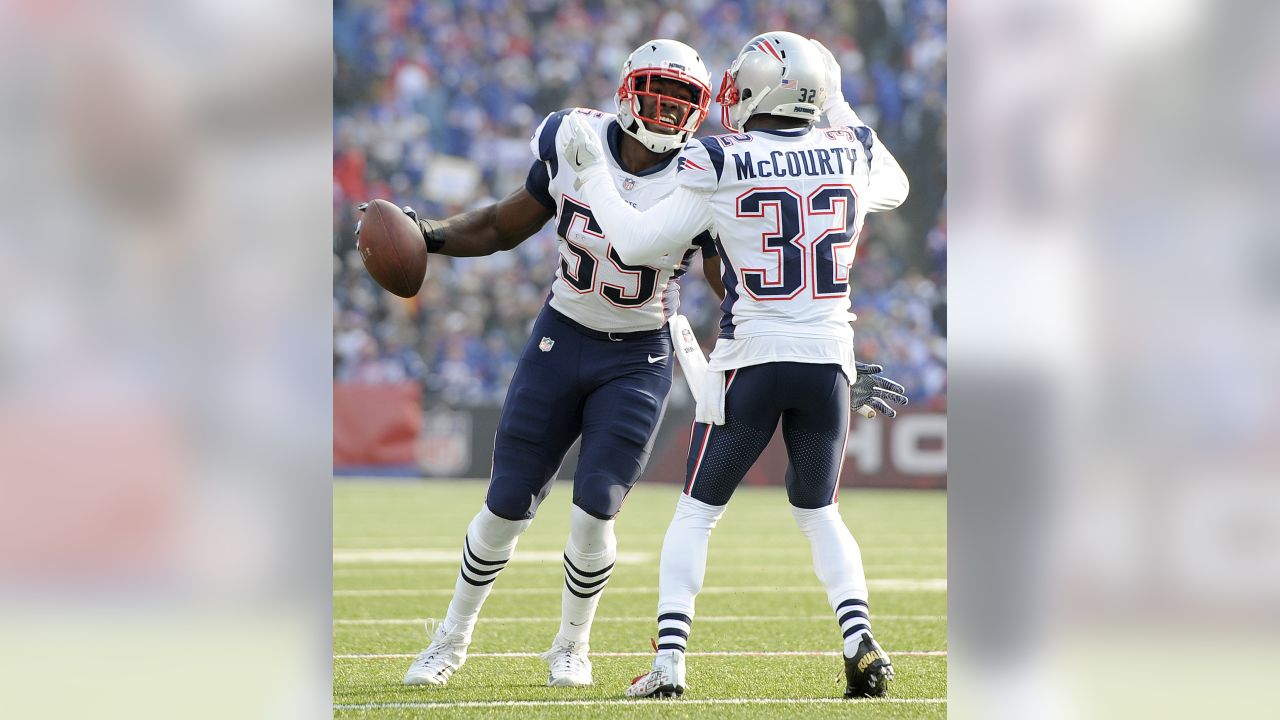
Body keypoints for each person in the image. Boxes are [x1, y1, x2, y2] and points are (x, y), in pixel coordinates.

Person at [357, 39, 727, 689]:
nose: (668, 113)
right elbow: (505, 224)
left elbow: (729, 281)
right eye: (657, 95)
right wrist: (432, 234)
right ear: (627, 92)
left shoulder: (705, 172)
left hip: (638, 358)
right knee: (504, 504)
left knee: (595, 508)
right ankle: (451, 637)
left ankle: (571, 645)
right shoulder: (572, 138)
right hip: (561, 338)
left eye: (682, 102)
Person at [558, 32, 910, 699]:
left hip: (753, 358)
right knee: (820, 513)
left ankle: (669, 662)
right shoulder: (856, 148)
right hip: (830, 361)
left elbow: (633, 243)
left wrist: (592, 175)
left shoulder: (719, 157)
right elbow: (894, 186)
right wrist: (834, 102)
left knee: (695, 512)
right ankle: (859, 637)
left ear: (761, 89)